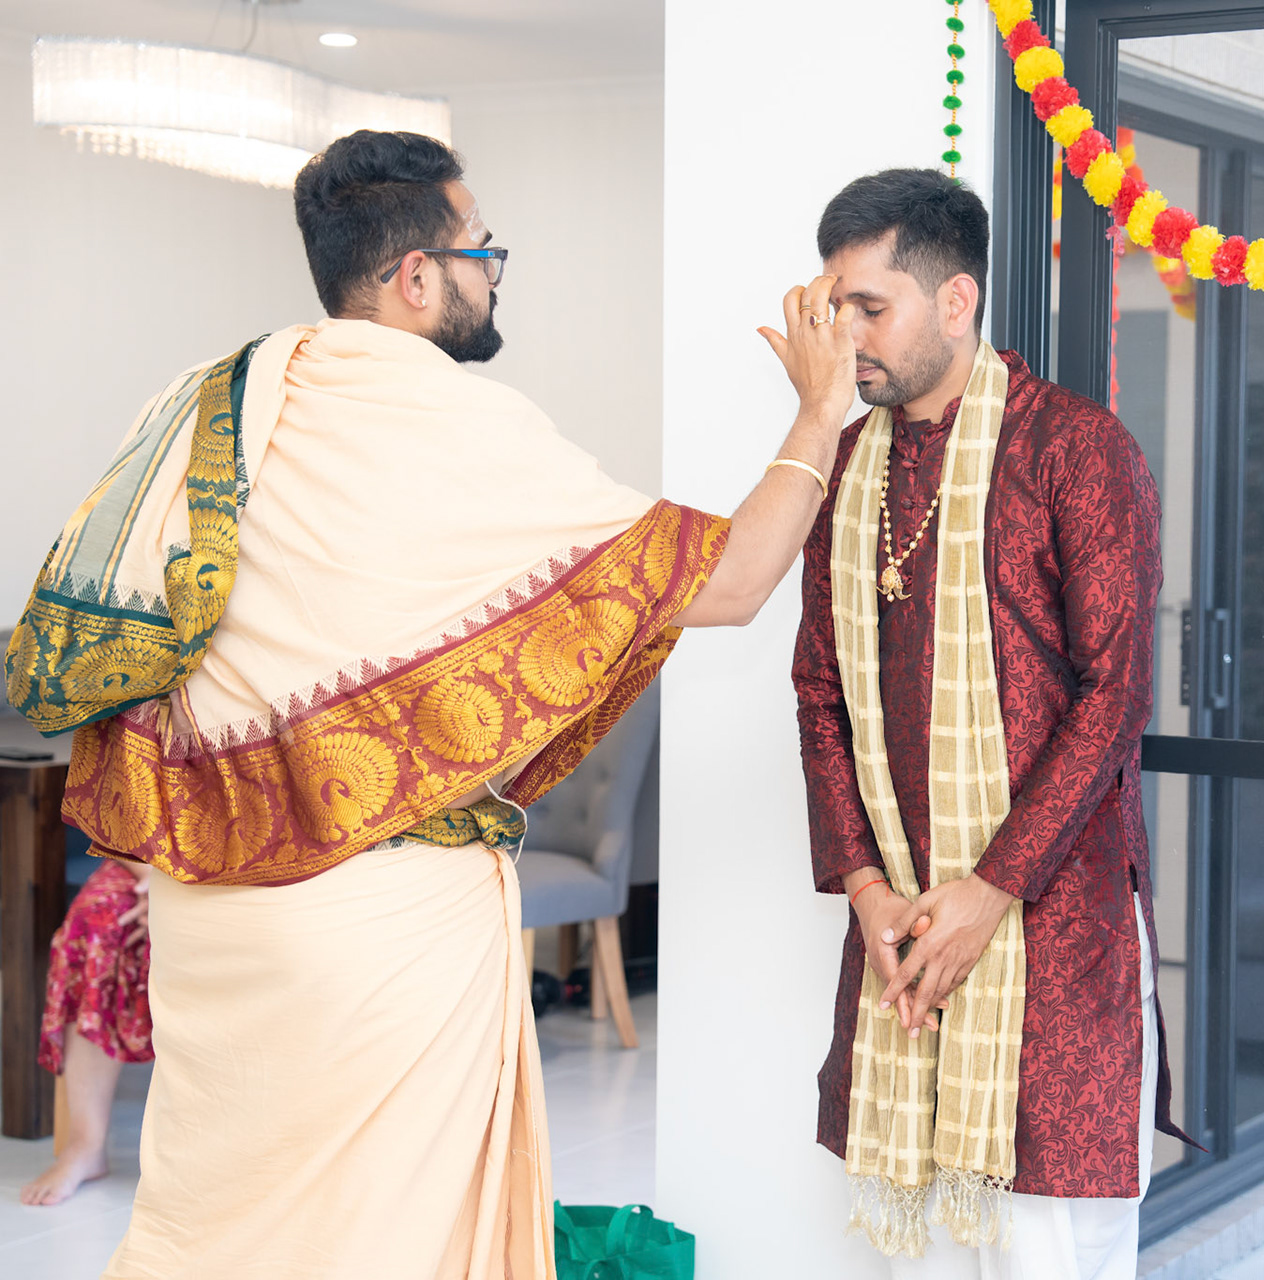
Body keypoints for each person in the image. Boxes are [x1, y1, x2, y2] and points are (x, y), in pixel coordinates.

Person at [4, 129, 853, 1277]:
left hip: (210, 914)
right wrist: (819, 410)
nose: (493, 273)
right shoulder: (452, 420)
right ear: (416, 274)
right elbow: (737, 579)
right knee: (388, 1236)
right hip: (381, 925)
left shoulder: (207, 400)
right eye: (481, 249)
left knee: (219, 1225)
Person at [792, 168, 1184, 1280]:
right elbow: (818, 689)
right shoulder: (844, 466)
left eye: (871, 307)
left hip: (1055, 932)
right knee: (913, 1252)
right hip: (899, 924)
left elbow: (1114, 696)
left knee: (1046, 1246)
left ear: (956, 300)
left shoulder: (1074, 449)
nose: (845, 336)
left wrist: (991, 889)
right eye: (834, 306)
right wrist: (868, 889)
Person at [20, 859, 153, 1206]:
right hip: (148, 856)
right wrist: (151, 880)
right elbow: (119, 823)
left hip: (257, 866)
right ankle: (86, 1143)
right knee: (95, 920)